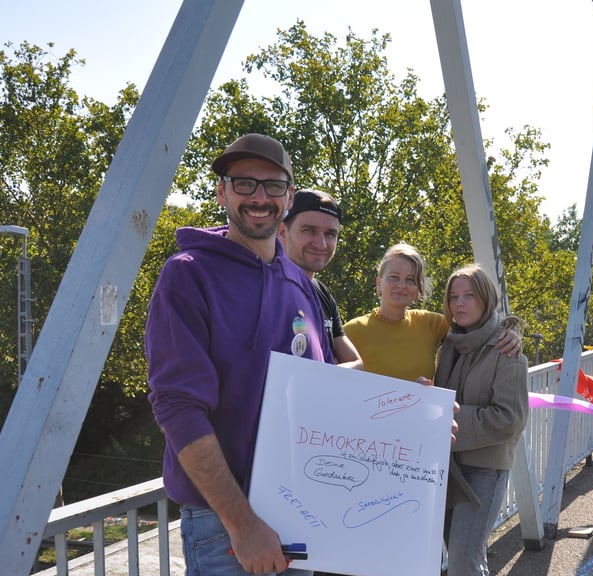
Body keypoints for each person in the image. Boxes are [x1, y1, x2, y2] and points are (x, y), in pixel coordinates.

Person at [146, 134, 334, 575]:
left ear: (289, 196)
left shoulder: (300, 282)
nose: (259, 197)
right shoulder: (187, 276)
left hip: (300, 511)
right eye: (244, 183)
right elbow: (178, 406)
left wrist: (410, 416)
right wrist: (243, 522)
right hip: (225, 525)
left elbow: (322, 394)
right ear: (222, 192)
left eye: (273, 186)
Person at [433, 264, 529, 576]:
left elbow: (510, 419)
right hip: (448, 467)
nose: (458, 303)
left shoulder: (506, 350)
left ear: (487, 299)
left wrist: (450, 417)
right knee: (467, 560)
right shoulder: (449, 345)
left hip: (484, 470)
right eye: (453, 296)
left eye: (469, 296)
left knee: (463, 562)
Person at [343, 243, 521, 382]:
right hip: (367, 427)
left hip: (418, 426)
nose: (402, 285)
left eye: (410, 280)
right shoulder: (352, 331)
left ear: (418, 290)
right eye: (394, 277)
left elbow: (478, 326)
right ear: (379, 283)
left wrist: (509, 330)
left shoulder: (430, 323)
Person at [278, 189, 362, 369]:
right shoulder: (268, 287)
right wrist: (330, 373)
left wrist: (325, 375)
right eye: (309, 230)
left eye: (330, 234)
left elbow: (358, 364)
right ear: (282, 231)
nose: (321, 243)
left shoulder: (321, 292)